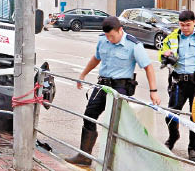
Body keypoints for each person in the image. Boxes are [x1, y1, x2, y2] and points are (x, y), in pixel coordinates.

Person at [65, 16, 160, 167]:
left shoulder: (133, 45)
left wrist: (153, 91)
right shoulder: (103, 40)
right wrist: (83, 74)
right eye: (107, 36)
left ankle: (115, 161)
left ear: (120, 30)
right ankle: (84, 156)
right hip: (102, 84)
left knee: (116, 124)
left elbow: (148, 67)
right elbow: (96, 58)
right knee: (89, 115)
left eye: (112, 36)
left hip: (120, 87)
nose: (110, 39)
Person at [159, 10, 195, 162]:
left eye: (188, 25)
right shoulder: (172, 37)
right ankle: (173, 136)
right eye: (182, 25)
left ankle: (193, 148)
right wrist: (165, 55)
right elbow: (161, 54)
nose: (184, 28)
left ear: (194, 22)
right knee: (171, 114)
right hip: (178, 82)